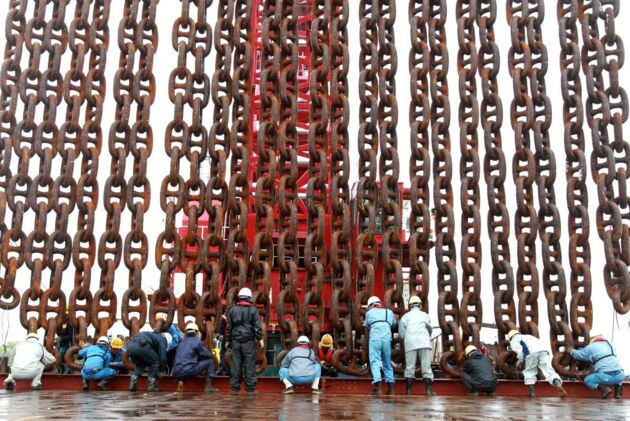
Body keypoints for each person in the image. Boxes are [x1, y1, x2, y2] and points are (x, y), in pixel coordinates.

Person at [507, 329, 567, 398]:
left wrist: (520, 361)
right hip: (543, 351)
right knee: (549, 371)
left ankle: (532, 395)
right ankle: (558, 385)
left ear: (511, 337)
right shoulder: (528, 336)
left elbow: (519, 351)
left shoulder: (514, 339)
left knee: (529, 372)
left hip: (531, 353)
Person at [227, 287, 263, 395]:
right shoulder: (253, 310)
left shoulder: (233, 310)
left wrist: (228, 340)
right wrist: (260, 339)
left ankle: (234, 389)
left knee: (236, 364)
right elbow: (257, 327)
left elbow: (229, 327)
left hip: (236, 341)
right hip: (248, 342)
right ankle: (250, 389)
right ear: (249, 298)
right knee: (249, 364)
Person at [569, 333, 625, 399]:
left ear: (593, 341)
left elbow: (580, 355)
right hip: (620, 377)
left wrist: (571, 350)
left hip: (605, 377)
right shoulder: (611, 345)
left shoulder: (592, 346)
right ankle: (617, 394)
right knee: (620, 371)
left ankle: (605, 389)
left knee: (588, 380)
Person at [398, 295, 434, 395]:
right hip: (424, 343)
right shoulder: (425, 316)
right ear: (420, 306)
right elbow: (430, 330)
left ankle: (409, 391)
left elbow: (401, 334)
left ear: (410, 306)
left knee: (410, 368)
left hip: (410, 343)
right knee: (426, 368)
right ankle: (428, 390)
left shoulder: (405, 317)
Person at [364, 295, 397, 395]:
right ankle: (391, 388)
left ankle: (378, 388)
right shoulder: (389, 312)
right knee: (387, 362)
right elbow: (394, 324)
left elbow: (367, 325)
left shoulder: (369, 313)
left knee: (375, 362)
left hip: (375, 339)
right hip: (386, 339)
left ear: (370, 305)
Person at [172, 322, 218, 393]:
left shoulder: (180, 343)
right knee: (210, 361)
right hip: (188, 371)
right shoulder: (197, 342)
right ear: (196, 332)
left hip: (176, 373)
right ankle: (208, 387)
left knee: (185, 363)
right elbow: (207, 355)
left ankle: (180, 381)